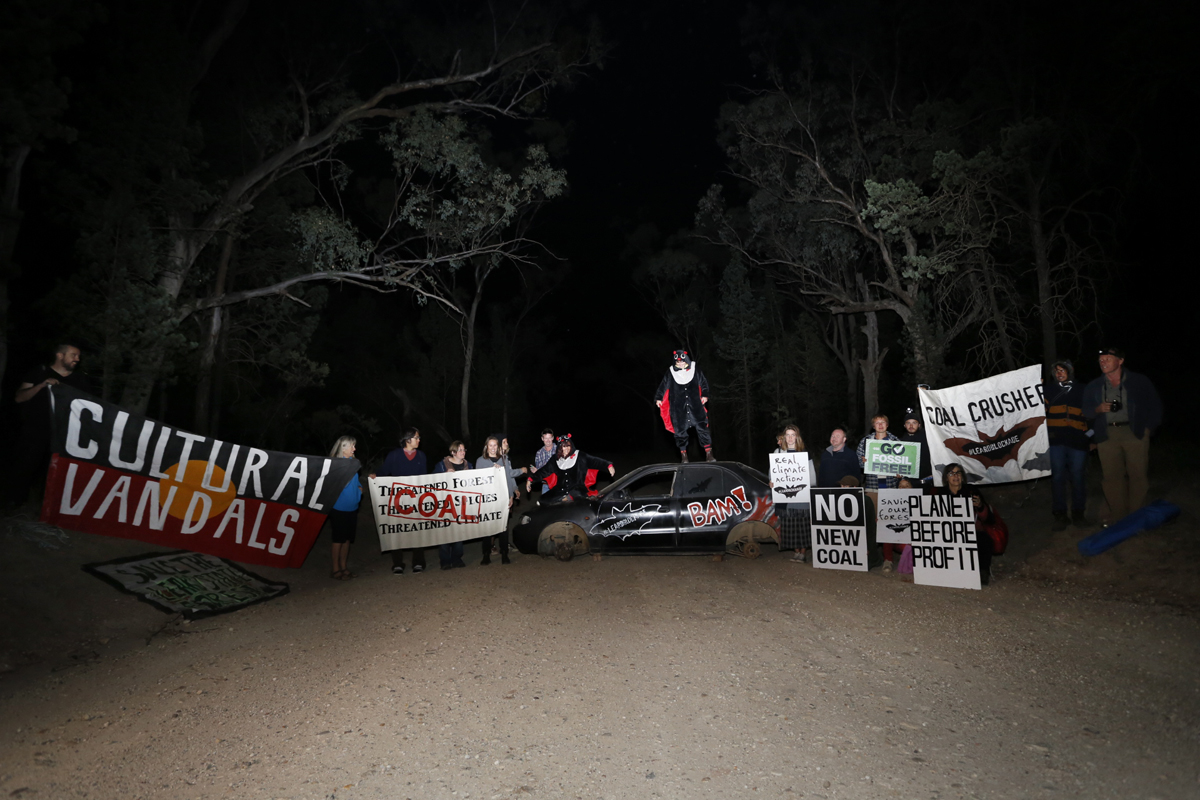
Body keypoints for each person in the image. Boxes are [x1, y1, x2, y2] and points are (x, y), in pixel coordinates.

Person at [1083, 347, 1163, 524]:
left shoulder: (1139, 381)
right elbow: (1085, 412)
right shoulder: (1094, 385)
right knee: (1112, 477)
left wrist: (1148, 429)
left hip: (1134, 432)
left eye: (1108, 358)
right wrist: (1097, 409)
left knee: (1137, 474)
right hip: (1106, 434)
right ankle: (1119, 516)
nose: (1103, 362)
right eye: (1101, 359)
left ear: (1120, 361)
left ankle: (1136, 514)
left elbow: (1155, 406)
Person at [11, 343, 96, 506]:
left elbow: (89, 406)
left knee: (55, 473)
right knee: (25, 467)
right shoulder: (40, 372)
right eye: (74, 355)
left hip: (64, 435)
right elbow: (19, 397)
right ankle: (15, 506)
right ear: (60, 355)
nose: (77, 359)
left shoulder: (80, 380)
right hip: (35, 430)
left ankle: (48, 509)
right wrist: (42, 385)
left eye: (78, 356)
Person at [933, 463, 999, 585]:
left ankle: (982, 572)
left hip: (971, 532)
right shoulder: (940, 493)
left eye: (958, 473)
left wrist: (979, 506)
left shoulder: (971, 490)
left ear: (962, 477)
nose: (955, 476)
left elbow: (988, 519)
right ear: (946, 478)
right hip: (948, 533)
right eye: (951, 473)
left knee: (984, 539)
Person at [374, 428, 429, 574]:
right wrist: (374, 476)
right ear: (407, 439)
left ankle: (418, 562)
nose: (419, 440)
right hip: (398, 500)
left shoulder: (421, 456)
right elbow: (384, 471)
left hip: (416, 500)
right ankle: (397, 563)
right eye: (417, 437)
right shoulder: (394, 455)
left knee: (417, 531)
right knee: (397, 531)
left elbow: (424, 478)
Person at [1045, 360, 1092, 530]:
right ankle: (1060, 514)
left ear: (1070, 372)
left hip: (1078, 442)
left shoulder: (1083, 389)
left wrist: (1090, 437)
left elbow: (1093, 415)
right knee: (1057, 477)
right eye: (1056, 370)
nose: (1059, 373)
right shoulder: (1048, 390)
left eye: (1063, 370)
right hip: (1056, 441)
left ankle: (1078, 513)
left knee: (1078, 477)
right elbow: (1038, 411)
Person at [857, 415, 901, 571]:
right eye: (877, 423)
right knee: (870, 523)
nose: (880, 425)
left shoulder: (895, 441)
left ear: (887, 425)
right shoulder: (866, 441)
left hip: (889, 487)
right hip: (872, 487)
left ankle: (888, 559)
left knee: (888, 523)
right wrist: (862, 461)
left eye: (883, 423)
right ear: (873, 426)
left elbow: (903, 462)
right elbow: (858, 460)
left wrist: (900, 472)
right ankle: (871, 555)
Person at [655, 348, 714, 462]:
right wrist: (658, 398)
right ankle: (684, 455)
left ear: (686, 360)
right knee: (680, 431)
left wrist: (705, 395)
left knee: (702, 428)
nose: (681, 363)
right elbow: (663, 386)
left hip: (695, 406)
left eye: (682, 361)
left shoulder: (695, 369)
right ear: (675, 362)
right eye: (678, 362)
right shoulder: (671, 373)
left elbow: (704, 383)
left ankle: (709, 453)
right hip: (678, 408)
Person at [475, 435, 526, 565]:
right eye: (490, 445)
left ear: (498, 447)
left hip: (503, 498)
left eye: (495, 445)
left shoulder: (504, 458)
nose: (492, 448)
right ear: (486, 447)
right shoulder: (480, 461)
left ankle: (504, 553)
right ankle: (486, 554)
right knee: (488, 528)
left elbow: (508, 478)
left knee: (503, 527)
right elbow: (477, 481)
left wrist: (511, 495)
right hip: (488, 500)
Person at [526, 433, 615, 505]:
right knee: (542, 501)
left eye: (568, 446)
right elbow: (543, 471)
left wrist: (608, 466)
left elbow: (595, 461)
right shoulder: (555, 459)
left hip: (578, 490)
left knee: (579, 505)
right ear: (560, 448)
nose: (566, 449)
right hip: (560, 490)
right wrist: (530, 479)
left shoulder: (579, 455)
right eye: (564, 446)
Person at [771, 425, 812, 563]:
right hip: (785, 498)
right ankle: (796, 552)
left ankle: (803, 553)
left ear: (797, 437)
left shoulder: (805, 454)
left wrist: (810, 489)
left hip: (802, 497)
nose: (790, 438)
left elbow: (811, 477)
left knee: (802, 526)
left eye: (792, 435)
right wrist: (771, 482)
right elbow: (772, 474)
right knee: (790, 526)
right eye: (787, 435)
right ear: (784, 437)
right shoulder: (778, 453)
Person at [433, 441, 472, 570]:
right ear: (453, 452)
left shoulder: (469, 466)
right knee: (444, 531)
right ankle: (445, 560)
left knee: (459, 531)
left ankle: (457, 558)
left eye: (464, 449)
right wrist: (444, 475)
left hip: (462, 504)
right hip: (445, 503)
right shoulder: (442, 465)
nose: (463, 452)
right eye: (460, 450)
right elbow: (431, 481)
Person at [327, 436, 362, 581]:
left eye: (354, 446)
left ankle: (344, 567)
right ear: (343, 448)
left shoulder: (354, 464)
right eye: (351, 446)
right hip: (339, 507)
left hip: (352, 507)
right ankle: (336, 569)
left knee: (347, 539)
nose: (354, 449)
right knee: (338, 539)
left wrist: (359, 490)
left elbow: (357, 482)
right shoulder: (335, 465)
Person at [898, 408, 933, 483]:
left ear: (919, 424)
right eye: (908, 423)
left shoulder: (928, 437)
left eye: (914, 423)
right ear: (904, 425)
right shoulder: (900, 442)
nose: (911, 425)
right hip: (910, 481)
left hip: (928, 478)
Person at [533, 428, 556, 496]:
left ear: (553, 438)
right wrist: (536, 471)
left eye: (550, 438)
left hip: (558, 485)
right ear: (542, 439)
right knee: (545, 506)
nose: (548, 441)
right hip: (546, 485)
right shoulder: (539, 453)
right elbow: (539, 470)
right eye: (546, 438)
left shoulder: (559, 450)